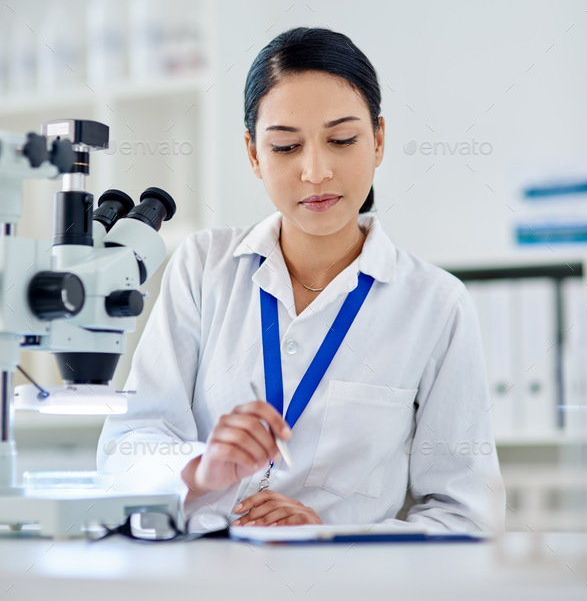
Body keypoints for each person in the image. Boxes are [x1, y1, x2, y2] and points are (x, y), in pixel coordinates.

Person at [98, 27, 505, 533]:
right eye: (286, 147)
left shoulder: (435, 304)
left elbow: (466, 515)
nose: (315, 171)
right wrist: (198, 470)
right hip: (199, 573)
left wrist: (334, 536)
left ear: (378, 140)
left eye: (341, 140)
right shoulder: (203, 267)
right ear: (253, 154)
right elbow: (126, 445)